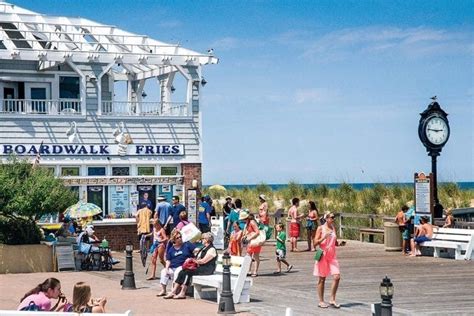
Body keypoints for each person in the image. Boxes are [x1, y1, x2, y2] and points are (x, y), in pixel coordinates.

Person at [164, 232, 218, 299]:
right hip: (200, 268)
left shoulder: (211, 249)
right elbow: (196, 256)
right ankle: (173, 291)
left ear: (206, 240)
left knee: (187, 272)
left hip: (207, 269)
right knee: (182, 272)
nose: (201, 240)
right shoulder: (203, 248)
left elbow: (204, 261)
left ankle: (182, 292)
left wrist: (193, 260)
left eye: (202, 239)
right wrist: (191, 258)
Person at [313, 212, 341, 309]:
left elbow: (335, 242)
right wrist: (323, 237)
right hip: (323, 255)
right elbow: (315, 243)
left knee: (337, 277)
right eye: (332, 217)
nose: (333, 219)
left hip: (332, 256)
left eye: (334, 217)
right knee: (322, 278)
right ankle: (321, 301)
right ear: (327, 218)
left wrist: (339, 243)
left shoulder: (333, 228)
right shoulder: (321, 228)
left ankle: (332, 299)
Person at [157, 230, 196, 297]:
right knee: (163, 272)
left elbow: (196, 250)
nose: (180, 238)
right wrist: (166, 268)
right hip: (172, 267)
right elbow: (168, 260)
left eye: (180, 237)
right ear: (174, 240)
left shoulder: (187, 244)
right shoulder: (171, 249)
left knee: (177, 271)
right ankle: (163, 290)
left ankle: (174, 290)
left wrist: (194, 256)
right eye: (177, 238)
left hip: (183, 266)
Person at [241, 212, 262, 277]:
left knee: (255, 256)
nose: (242, 220)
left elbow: (257, 232)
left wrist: (250, 238)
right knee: (248, 256)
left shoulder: (252, 222)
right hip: (250, 242)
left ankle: (255, 271)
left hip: (255, 241)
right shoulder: (247, 223)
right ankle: (249, 271)